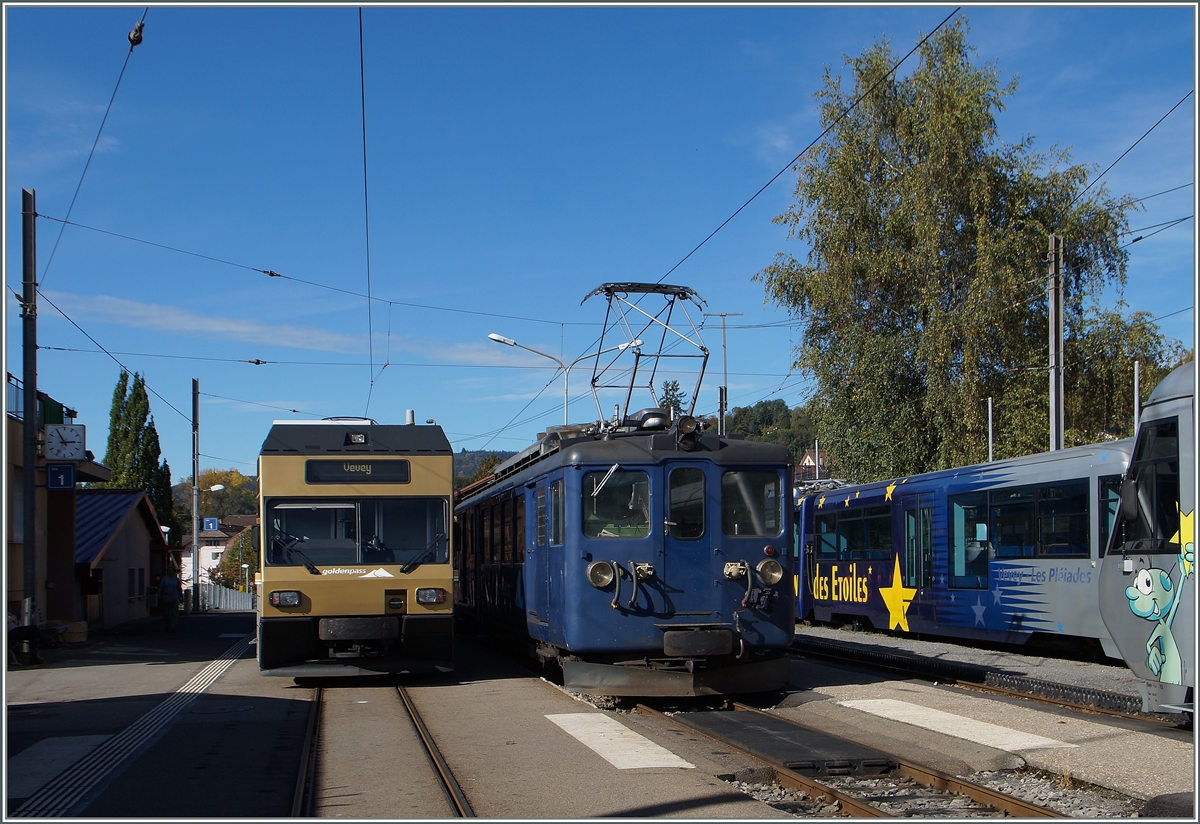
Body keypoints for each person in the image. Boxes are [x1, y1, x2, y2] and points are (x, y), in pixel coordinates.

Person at [159, 567, 183, 632]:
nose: (170, 572)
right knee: (166, 613)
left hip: (175, 597)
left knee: (174, 612)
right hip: (166, 596)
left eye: (171, 570)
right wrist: (159, 594)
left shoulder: (176, 580)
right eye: (169, 570)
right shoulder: (164, 579)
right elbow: (161, 587)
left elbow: (179, 588)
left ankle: (173, 626)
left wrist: (181, 596)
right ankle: (167, 624)